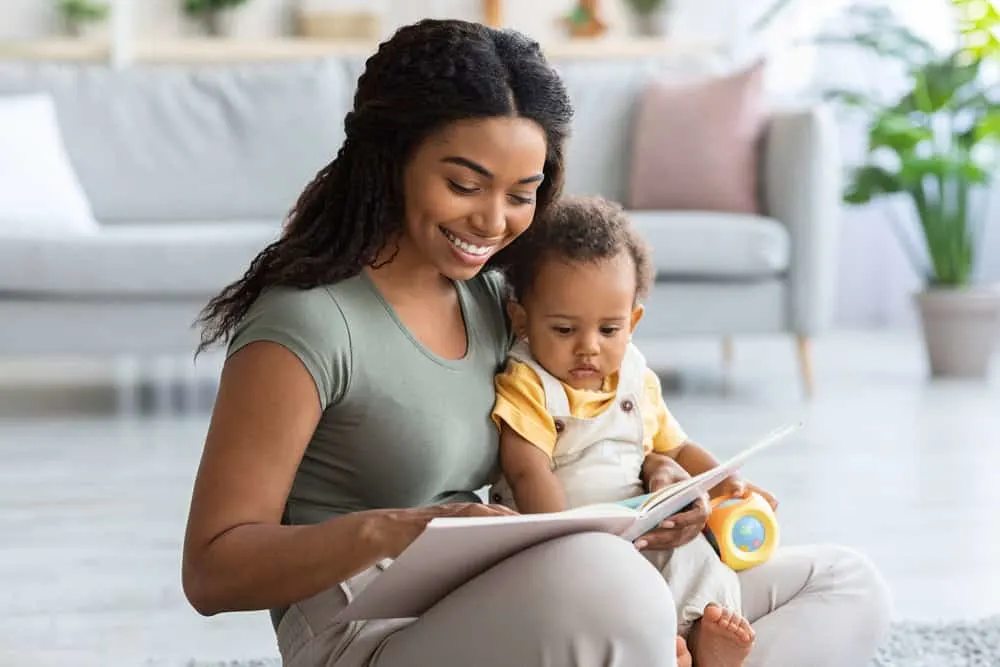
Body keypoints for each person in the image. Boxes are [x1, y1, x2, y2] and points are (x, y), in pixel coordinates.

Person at [181, 17, 893, 667]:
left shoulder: (503, 299)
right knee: (610, 586)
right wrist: (395, 530)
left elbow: (597, 416)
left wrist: (664, 483)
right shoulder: (306, 322)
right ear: (390, 157)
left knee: (843, 582)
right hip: (373, 634)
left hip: (525, 588)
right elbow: (211, 570)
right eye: (465, 184)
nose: (493, 221)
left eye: (522, 193)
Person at [489, 195, 768, 666]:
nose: (588, 349)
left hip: (641, 526)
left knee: (698, 562)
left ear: (633, 322)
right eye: (563, 330)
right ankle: (661, 647)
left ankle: (703, 638)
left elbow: (676, 447)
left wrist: (727, 483)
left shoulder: (636, 378)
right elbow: (527, 471)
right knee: (614, 594)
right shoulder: (528, 383)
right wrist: (566, 544)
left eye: (609, 330)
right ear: (522, 321)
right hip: (566, 539)